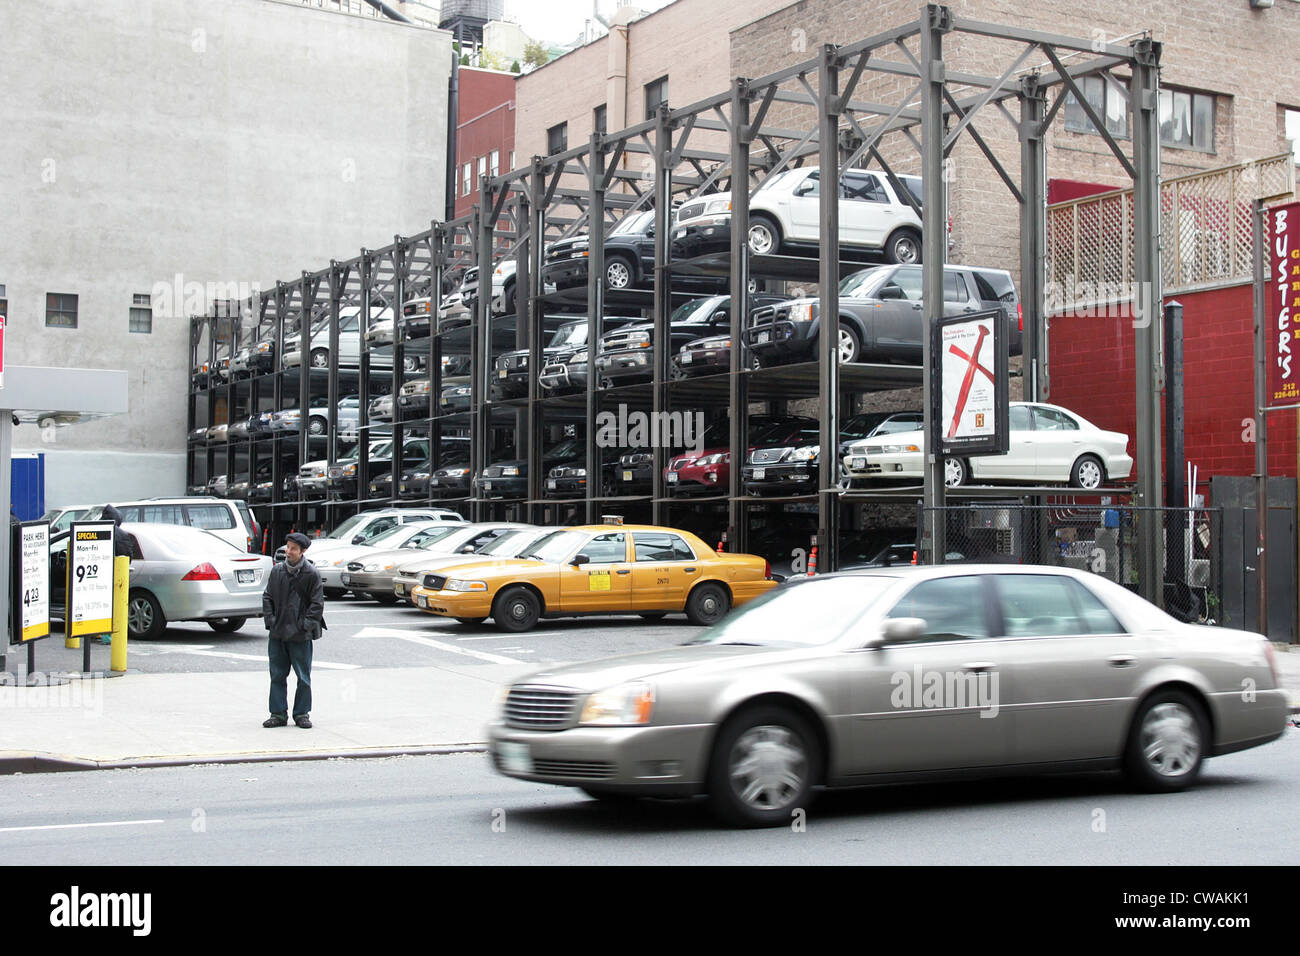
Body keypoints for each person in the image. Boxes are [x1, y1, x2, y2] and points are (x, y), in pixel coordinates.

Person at [261, 532, 325, 729]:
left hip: (301, 634)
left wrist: (304, 625)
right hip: (278, 631)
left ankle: (302, 714)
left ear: (303, 551)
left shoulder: (311, 573)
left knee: (303, 677)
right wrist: (271, 620)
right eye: (287, 547)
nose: (288, 552)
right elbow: (267, 597)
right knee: (277, 675)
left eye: (293, 549)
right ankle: (278, 713)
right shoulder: (277, 571)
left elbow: (317, 604)